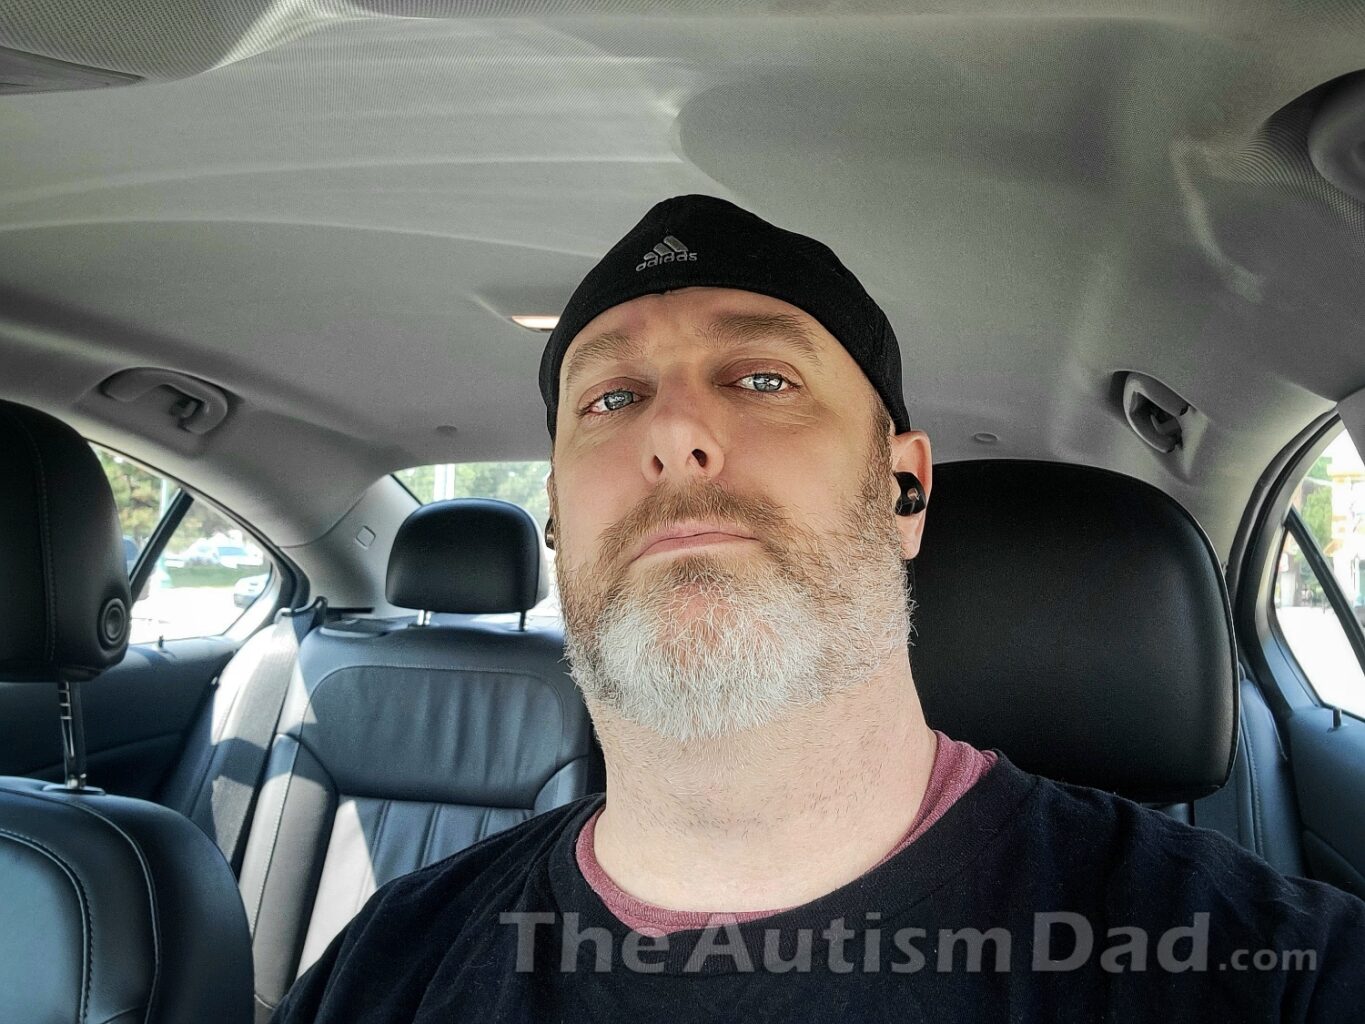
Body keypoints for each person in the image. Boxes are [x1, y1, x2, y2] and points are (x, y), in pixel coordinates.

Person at [273, 195, 1364, 1022]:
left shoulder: (1256, 966)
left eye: (761, 380)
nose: (674, 433)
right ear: (557, 518)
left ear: (903, 487)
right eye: (612, 398)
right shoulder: (389, 963)